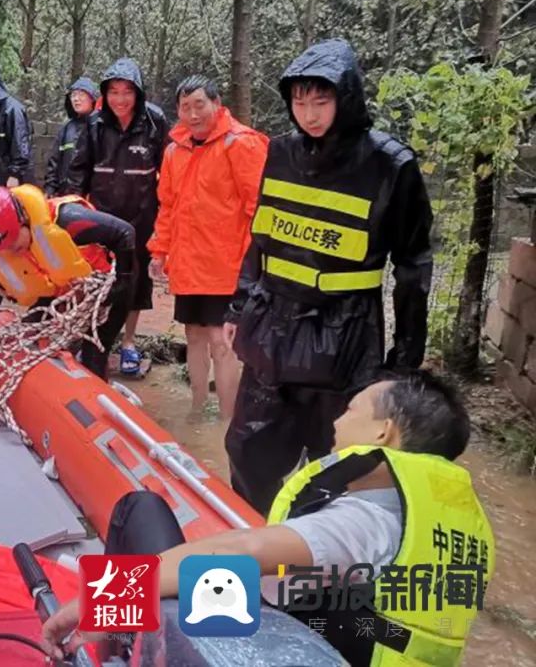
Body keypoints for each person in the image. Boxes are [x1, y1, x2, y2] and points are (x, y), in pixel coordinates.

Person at [40, 370, 495, 667]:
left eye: (352, 409)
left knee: (140, 511)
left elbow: (248, 551)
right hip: (340, 647)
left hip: (301, 654)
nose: (338, 421)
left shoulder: (370, 517)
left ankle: (104, 645)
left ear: (383, 432)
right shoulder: (449, 520)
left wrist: (104, 600)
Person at [223, 38, 434, 515]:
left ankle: (319, 554)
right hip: (272, 327)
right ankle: (254, 538)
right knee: (249, 447)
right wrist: (239, 304)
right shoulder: (279, 154)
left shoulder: (390, 165)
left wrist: (403, 360)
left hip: (344, 338)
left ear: (347, 98)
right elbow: (262, 235)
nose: (310, 114)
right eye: (300, 102)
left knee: (337, 463)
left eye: (321, 101)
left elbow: (413, 265)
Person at [147, 75, 268, 420]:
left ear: (216, 103)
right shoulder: (174, 150)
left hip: (228, 266)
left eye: (200, 104)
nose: (193, 114)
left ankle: (229, 421)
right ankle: (197, 409)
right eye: (185, 107)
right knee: (194, 335)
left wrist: (253, 267)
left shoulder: (241, 144)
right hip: (188, 264)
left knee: (223, 342)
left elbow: (258, 211)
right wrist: (160, 250)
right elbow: (167, 206)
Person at [0, 184, 135, 379]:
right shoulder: (3, 255)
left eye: (13, 243)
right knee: (28, 334)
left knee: (93, 355)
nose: (11, 251)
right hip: (61, 290)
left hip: (106, 286)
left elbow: (125, 233)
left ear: (24, 220)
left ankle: (96, 388)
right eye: (5, 249)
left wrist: (121, 282)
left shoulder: (68, 220)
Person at [66, 58, 168, 377]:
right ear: (104, 94)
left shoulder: (154, 121)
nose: (120, 99)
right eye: (113, 91)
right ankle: (91, 340)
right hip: (101, 218)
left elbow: (170, 170)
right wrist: (75, 211)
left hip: (141, 218)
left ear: (138, 93)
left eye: (127, 91)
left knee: (135, 282)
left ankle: (128, 343)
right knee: (94, 279)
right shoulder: (94, 124)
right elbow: (78, 171)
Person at [43, 76, 99, 197]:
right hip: (65, 196)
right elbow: (54, 162)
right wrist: (50, 189)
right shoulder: (66, 128)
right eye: (73, 95)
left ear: (92, 98)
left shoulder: (100, 127)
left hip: (91, 198)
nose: (76, 99)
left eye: (81, 94)